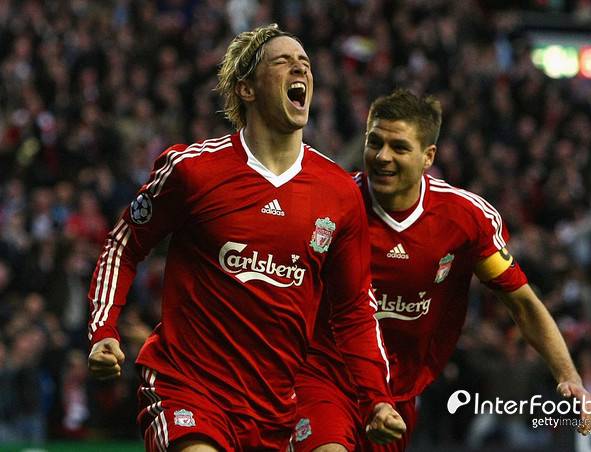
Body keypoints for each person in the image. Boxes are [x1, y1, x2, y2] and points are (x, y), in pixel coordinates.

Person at [87, 24, 406, 452]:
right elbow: (124, 244)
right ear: (247, 89)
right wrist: (104, 330)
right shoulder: (194, 170)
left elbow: (355, 311)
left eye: (305, 63)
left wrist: (377, 399)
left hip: (274, 410)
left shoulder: (339, 192)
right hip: (188, 389)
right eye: (283, 61)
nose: (301, 69)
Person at [293, 89, 591, 451]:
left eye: (399, 147)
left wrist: (568, 376)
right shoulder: (331, 204)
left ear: (428, 156)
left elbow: (522, 304)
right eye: (374, 143)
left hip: (399, 392)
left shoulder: (465, 220)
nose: (382, 157)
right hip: (322, 376)